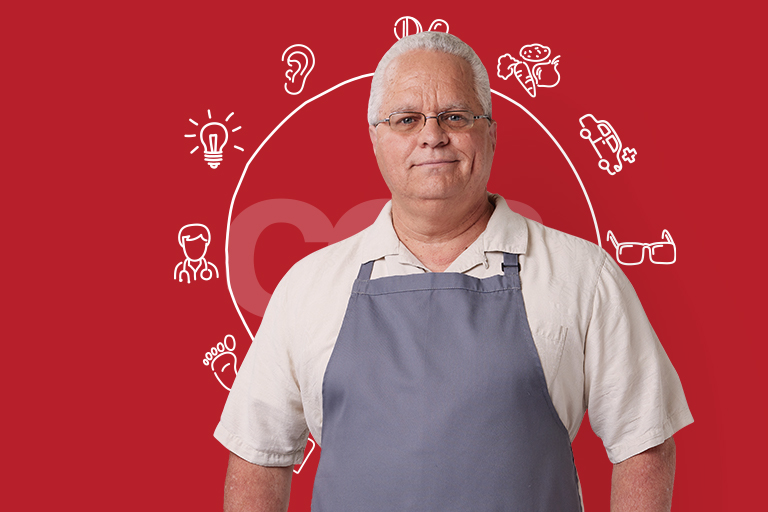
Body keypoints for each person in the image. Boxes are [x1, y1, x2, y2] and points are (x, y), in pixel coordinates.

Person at [215, 32, 692, 511]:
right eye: (406, 120)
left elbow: (643, 440)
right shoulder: (308, 286)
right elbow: (258, 456)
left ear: (491, 132)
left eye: (456, 116)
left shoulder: (583, 276)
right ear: (375, 140)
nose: (432, 135)